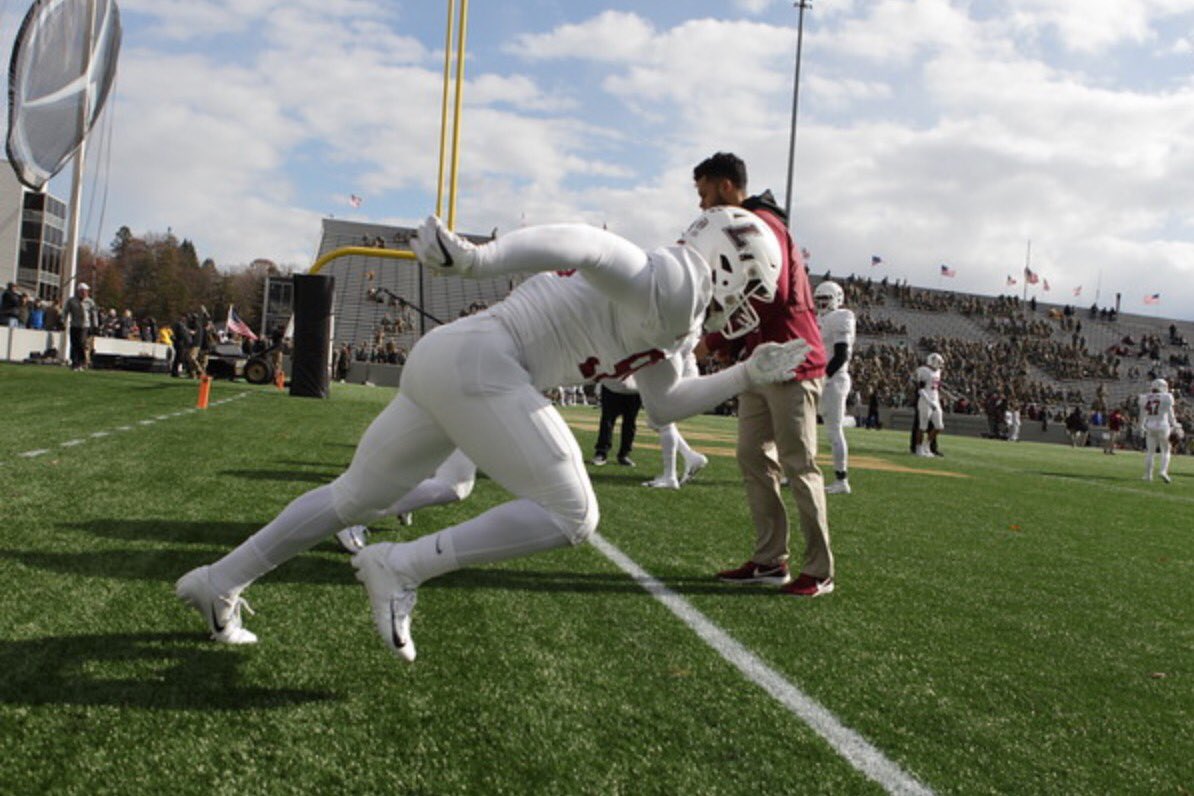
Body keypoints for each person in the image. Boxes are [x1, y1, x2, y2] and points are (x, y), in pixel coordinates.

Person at [176, 209, 812, 660]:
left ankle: (219, 581)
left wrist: (745, 373)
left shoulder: (671, 313)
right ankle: (399, 567)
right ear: (731, 263)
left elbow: (668, 405)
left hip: (452, 360)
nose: (750, 301)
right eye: (752, 284)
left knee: (353, 499)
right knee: (574, 512)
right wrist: (481, 259)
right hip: (490, 363)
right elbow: (589, 245)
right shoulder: (676, 283)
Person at [691, 152, 833, 597]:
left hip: (790, 360)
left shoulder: (760, 227)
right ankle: (771, 560)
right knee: (753, 457)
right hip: (759, 362)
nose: (702, 205)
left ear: (727, 186)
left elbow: (770, 294)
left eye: (704, 192)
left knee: (798, 464)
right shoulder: (745, 226)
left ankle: (820, 569)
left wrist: (715, 341)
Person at [642, 342, 709, 489]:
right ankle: (690, 457)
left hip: (678, 369)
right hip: (684, 369)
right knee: (654, 421)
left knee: (662, 420)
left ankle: (670, 476)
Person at [813, 280, 855, 494]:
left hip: (834, 379)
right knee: (804, 426)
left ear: (837, 298)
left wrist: (823, 377)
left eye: (825, 298)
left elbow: (841, 355)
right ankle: (799, 472)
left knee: (833, 431)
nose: (821, 303)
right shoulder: (819, 318)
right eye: (818, 298)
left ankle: (842, 480)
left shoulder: (842, 317)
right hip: (818, 378)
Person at [592, 376, 642, 467]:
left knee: (630, 423)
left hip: (634, 389)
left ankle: (624, 454)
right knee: (607, 420)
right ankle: (601, 452)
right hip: (611, 385)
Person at [1139, 379, 1177, 483]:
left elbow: (1142, 414)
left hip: (1150, 425)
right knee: (1166, 451)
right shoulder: (1167, 397)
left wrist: (1141, 426)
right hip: (1163, 425)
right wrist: (1175, 425)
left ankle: (1148, 475)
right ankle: (1163, 471)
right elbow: (1171, 414)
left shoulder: (1145, 397)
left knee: (1150, 452)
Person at [914, 353, 945, 457]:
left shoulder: (938, 372)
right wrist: (929, 401)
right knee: (922, 426)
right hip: (925, 400)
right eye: (939, 362)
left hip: (935, 400)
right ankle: (918, 449)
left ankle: (926, 446)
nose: (940, 364)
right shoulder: (923, 370)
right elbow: (920, 389)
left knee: (939, 426)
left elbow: (936, 388)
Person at [61, 283, 97, 370]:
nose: (86, 293)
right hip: (74, 325)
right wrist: (63, 322)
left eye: (87, 291)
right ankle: (74, 363)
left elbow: (94, 314)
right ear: (79, 291)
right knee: (74, 344)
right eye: (84, 291)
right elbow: (65, 311)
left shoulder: (90, 302)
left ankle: (81, 362)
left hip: (84, 326)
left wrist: (95, 325)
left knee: (81, 343)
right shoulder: (71, 301)